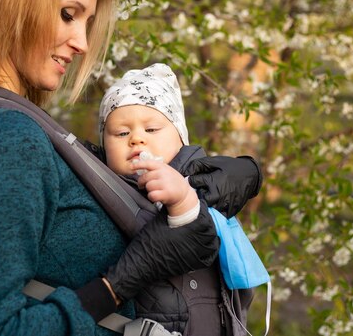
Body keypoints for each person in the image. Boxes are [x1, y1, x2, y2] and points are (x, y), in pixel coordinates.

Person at [0, 0, 258, 336]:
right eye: (68, 14)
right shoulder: (7, 138)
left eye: (86, 22)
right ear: (9, 4)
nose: (82, 43)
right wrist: (118, 284)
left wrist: (225, 176)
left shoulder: (16, 128)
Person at [99, 63, 263, 334]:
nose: (137, 139)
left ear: (180, 137)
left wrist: (184, 196)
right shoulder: (103, 194)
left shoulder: (206, 185)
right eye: (122, 133)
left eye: (151, 130)